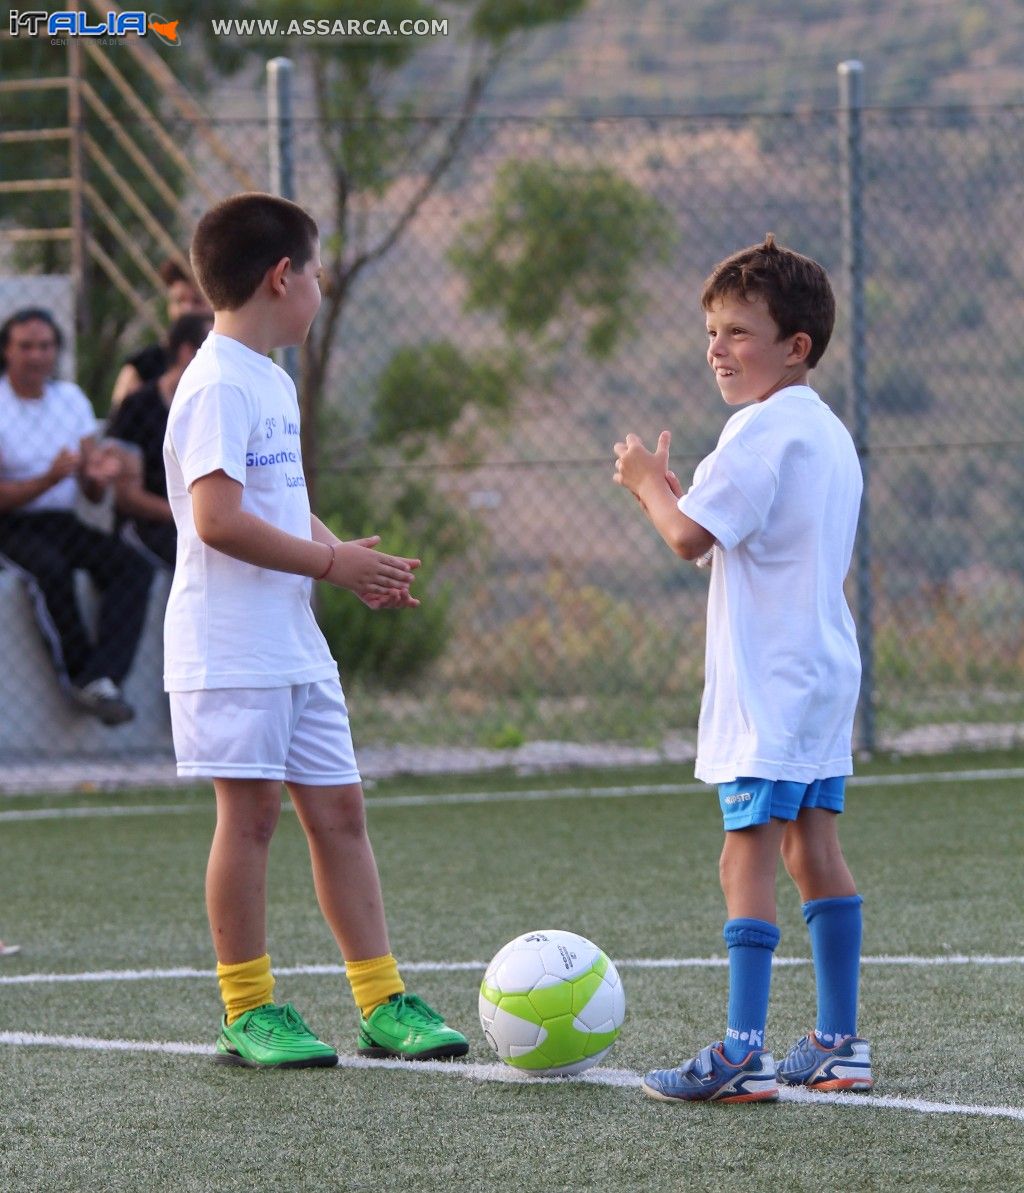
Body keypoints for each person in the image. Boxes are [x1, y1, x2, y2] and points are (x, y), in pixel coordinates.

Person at [164, 191, 469, 1069]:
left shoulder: (269, 377)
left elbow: (281, 507)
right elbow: (217, 519)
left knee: (339, 810)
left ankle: (381, 1001)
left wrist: (349, 560)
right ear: (281, 276)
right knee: (251, 815)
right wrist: (330, 566)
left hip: (292, 641)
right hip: (229, 643)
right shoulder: (217, 380)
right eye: (319, 269)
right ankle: (247, 1007)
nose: (322, 286)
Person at [613, 235, 871, 1103]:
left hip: (769, 681)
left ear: (796, 346)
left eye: (738, 332)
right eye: (712, 333)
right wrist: (689, 495)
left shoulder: (756, 430)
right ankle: (838, 1042)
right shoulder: (822, 430)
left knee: (745, 851)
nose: (717, 349)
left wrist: (649, 483)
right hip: (823, 670)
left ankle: (740, 1051)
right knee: (814, 846)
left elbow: (687, 536)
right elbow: (737, 536)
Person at [0, 308, 154, 726]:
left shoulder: (70, 400)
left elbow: (89, 484)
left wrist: (98, 479)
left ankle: (102, 678)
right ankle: (82, 677)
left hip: (63, 520)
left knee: (132, 567)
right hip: (12, 524)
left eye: (46, 346)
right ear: (6, 352)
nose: (37, 356)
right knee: (49, 571)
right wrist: (47, 479)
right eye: (26, 346)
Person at [107, 312, 213, 568]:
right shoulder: (137, 406)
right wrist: (192, 515)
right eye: (214, 348)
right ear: (188, 352)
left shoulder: (213, 405)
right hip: (150, 525)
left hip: (204, 520)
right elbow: (128, 496)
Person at [109, 258, 211, 408]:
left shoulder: (228, 359)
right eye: (179, 301)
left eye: (197, 301)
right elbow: (119, 420)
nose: (187, 310)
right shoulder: (143, 365)